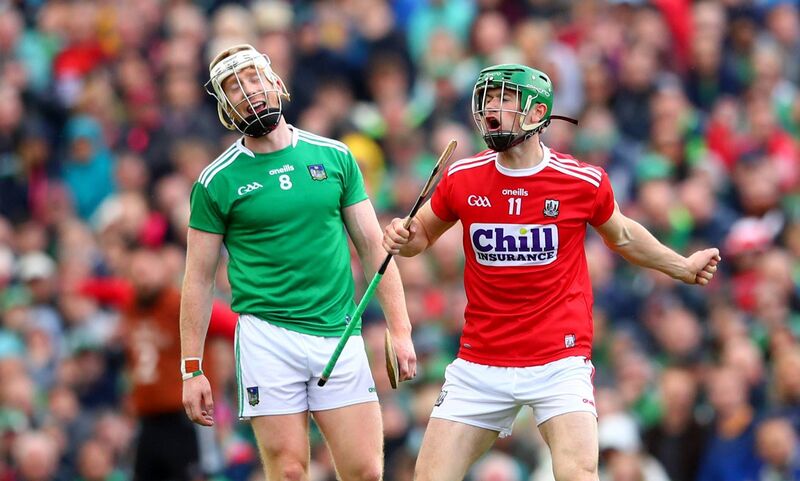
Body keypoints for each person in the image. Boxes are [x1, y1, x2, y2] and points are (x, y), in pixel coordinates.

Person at [382, 63, 721, 481]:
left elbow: (625, 236)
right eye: (488, 97)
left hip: (558, 359)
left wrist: (682, 266)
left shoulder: (581, 181)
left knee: (578, 473)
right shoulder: (461, 176)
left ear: (538, 113)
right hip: (481, 360)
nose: (491, 106)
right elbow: (420, 241)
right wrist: (402, 234)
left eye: (505, 98)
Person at [180, 44, 416, 481]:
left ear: (274, 81)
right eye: (234, 88)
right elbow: (197, 280)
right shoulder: (216, 181)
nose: (248, 92)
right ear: (224, 107)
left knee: (365, 471)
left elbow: (372, 246)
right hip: (267, 337)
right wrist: (191, 369)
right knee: (289, 472)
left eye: (253, 79)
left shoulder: (334, 157)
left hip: (338, 331)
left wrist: (400, 330)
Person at [78, 244, 236, 481]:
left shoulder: (183, 305)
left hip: (187, 417)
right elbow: (108, 290)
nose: (143, 277)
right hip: (149, 419)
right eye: (136, 272)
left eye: (148, 270)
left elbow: (233, 326)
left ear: (165, 270)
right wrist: (74, 287)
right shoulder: (132, 301)